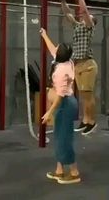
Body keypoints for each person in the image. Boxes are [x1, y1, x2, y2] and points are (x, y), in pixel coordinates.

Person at [40, 28, 80, 185]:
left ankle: (74, 172)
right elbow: (52, 49)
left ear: (60, 55)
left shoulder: (60, 72)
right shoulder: (67, 61)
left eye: (58, 49)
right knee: (59, 137)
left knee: (65, 138)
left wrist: (49, 112)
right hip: (66, 103)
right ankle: (59, 170)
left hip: (65, 104)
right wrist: (44, 34)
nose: (55, 49)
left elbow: (59, 96)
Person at [58, 0, 98, 135]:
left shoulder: (89, 27)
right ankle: (85, 120)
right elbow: (68, 14)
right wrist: (62, 0)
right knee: (82, 95)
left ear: (92, 22)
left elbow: (86, 12)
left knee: (88, 95)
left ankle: (92, 122)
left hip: (88, 64)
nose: (86, 18)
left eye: (89, 18)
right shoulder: (77, 26)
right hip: (78, 65)